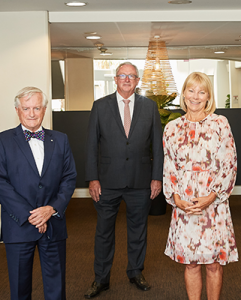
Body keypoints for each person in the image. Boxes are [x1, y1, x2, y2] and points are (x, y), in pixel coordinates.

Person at [84, 62, 163, 298]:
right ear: (115, 79)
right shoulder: (100, 106)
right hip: (107, 182)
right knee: (104, 232)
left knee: (138, 230)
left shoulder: (149, 107)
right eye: (122, 75)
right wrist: (92, 179)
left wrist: (156, 177)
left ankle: (135, 272)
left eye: (132, 76)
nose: (127, 79)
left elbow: (157, 147)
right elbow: (91, 145)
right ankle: (101, 279)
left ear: (137, 81)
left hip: (141, 181)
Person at [163, 72, 238, 300]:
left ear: (208, 96)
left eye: (201, 91)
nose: (195, 96)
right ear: (184, 94)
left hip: (213, 204)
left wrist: (211, 197)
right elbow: (169, 167)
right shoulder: (172, 128)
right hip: (184, 204)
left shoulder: (220, 123)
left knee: (214, 264)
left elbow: (229, 164)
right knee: (191, 264)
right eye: (191, 90)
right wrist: (176, 199)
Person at [0, 87, 77, 300]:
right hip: (19, 225)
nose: (32, 113)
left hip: (53, 224)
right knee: (19, 287)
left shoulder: (60, 140)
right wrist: (31, 215)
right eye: (26, 108)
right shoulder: (3, 141)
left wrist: (50, 209)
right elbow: (1, 182)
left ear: (44, 110)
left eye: (36, 108)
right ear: (17, 110)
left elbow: (69, 178)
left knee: (56, 287)